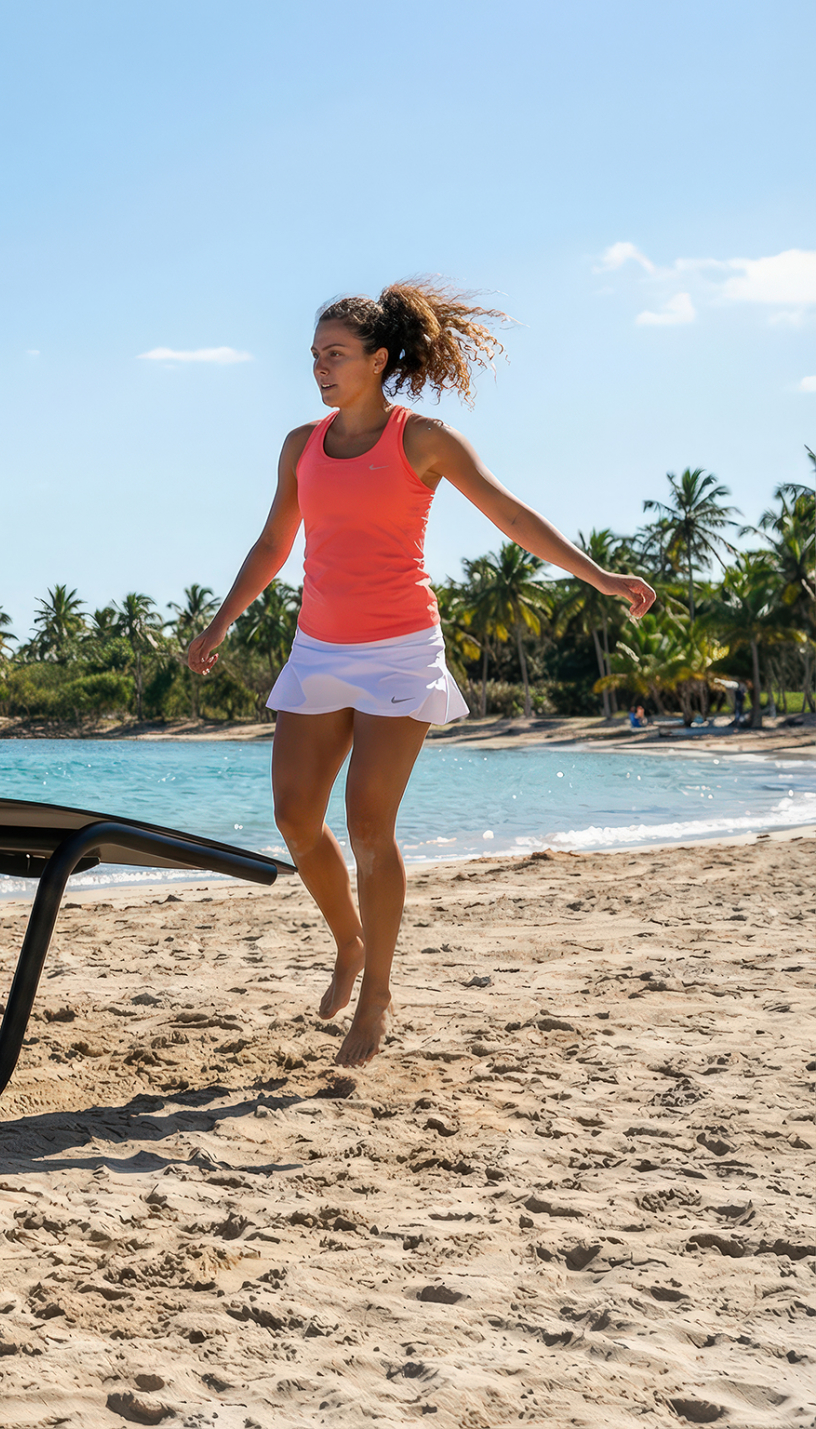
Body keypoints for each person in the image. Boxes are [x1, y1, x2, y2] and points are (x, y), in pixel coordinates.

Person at [184, 281, 653, 1067]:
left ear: (379, 359)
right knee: (297, 817)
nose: (320, 368)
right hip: (320, 650)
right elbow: (273, 545)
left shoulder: (424, 440)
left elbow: (510, 515)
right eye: (313, 357)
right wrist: (221, 619)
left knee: (370, 824)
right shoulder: (301, 445)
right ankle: (351, 945)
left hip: (401, 650)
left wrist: (598, 577)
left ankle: (378, 996)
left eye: (334, 355)